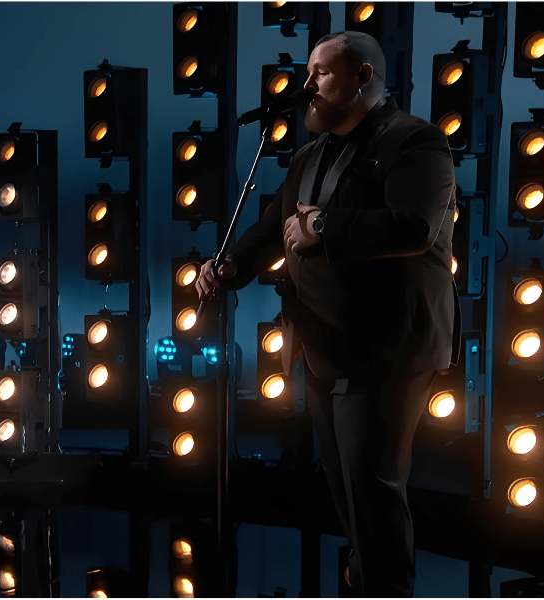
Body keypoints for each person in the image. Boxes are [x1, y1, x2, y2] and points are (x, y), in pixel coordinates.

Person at [196, 32, 460, 596]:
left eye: (321, 74)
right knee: (351, 501)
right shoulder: (309, 157)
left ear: (363, 77)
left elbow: (412, 227)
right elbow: (272, 230)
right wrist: (226, 268)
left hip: (386, 349)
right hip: (324, 347)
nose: (307, 86)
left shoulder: (417, 143)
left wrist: (322, 225)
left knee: (374, 498)